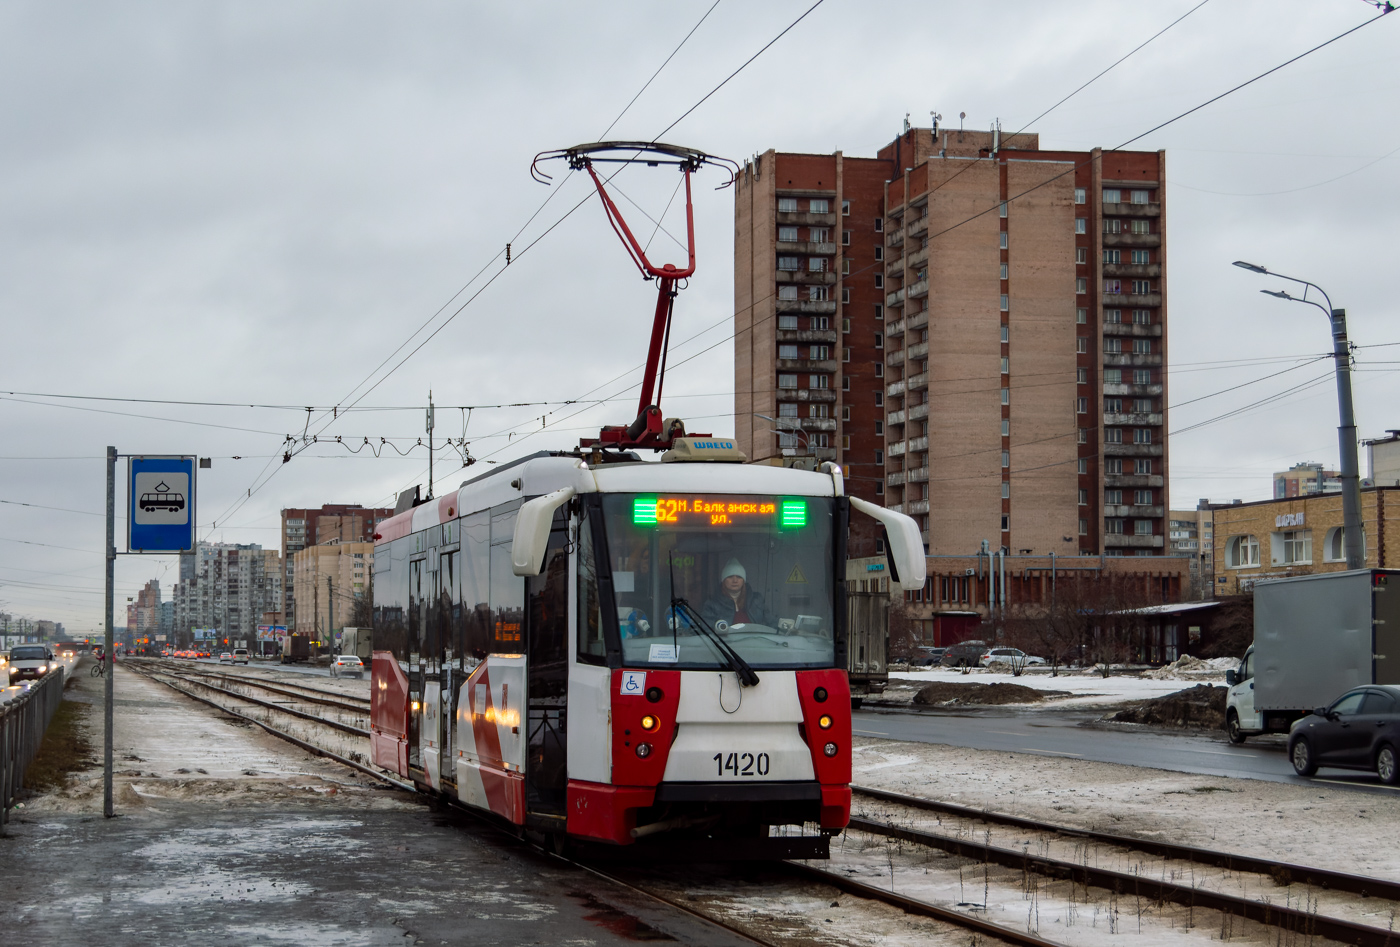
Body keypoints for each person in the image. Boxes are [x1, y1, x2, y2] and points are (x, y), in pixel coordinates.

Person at [701, 559, 771, 629]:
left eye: (739, 577)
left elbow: (771, 624)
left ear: (743, 580)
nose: (735, 580)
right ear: (724, 580)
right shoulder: (712, 605)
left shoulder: (757, 600)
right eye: (730, 577)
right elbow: (706, 629)